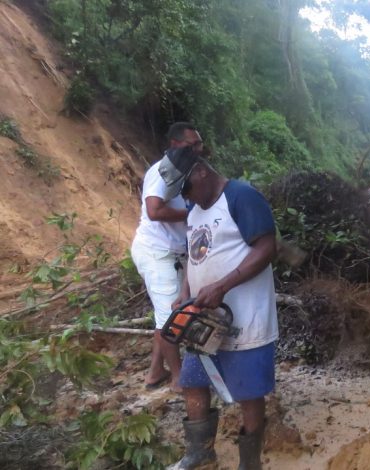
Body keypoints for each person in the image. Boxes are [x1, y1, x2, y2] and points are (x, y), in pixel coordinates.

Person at [160, 147, 278, 470]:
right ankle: (200, 453)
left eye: (184, 188)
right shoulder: (195, 209)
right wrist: (184, 293)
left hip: (246, 320)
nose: (185, 196)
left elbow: (267, 247)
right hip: (204, 321)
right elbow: (193, 258)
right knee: (193, 381)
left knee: (248, 392)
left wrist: (222, 286)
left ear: (200, 171)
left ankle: (249, 464)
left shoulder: (241, 197)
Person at [130, 122, 203, 392]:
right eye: (192, 145)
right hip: (157, 253)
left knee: (167, 313)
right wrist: (193, 213)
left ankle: (154, 372)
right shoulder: (161, 172)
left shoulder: (185, 172)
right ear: (175, 145)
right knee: (171, 317)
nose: (199, 149)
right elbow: (154, 211)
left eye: (199, 143)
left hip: (173, 253)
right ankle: (178, 378)